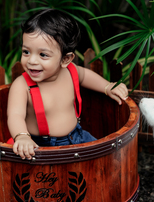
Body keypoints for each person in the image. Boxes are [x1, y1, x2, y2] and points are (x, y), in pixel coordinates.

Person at [7, 9, 128, 160]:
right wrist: (22, 137)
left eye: (43, 54)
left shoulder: (71, 72)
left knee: (105, 159)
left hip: (77, 136)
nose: (31, 60)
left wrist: (107, 86)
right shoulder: (22, 85)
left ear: (66, 59)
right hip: (41, 146)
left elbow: (85, 76)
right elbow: (15, 115)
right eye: (26, 52)